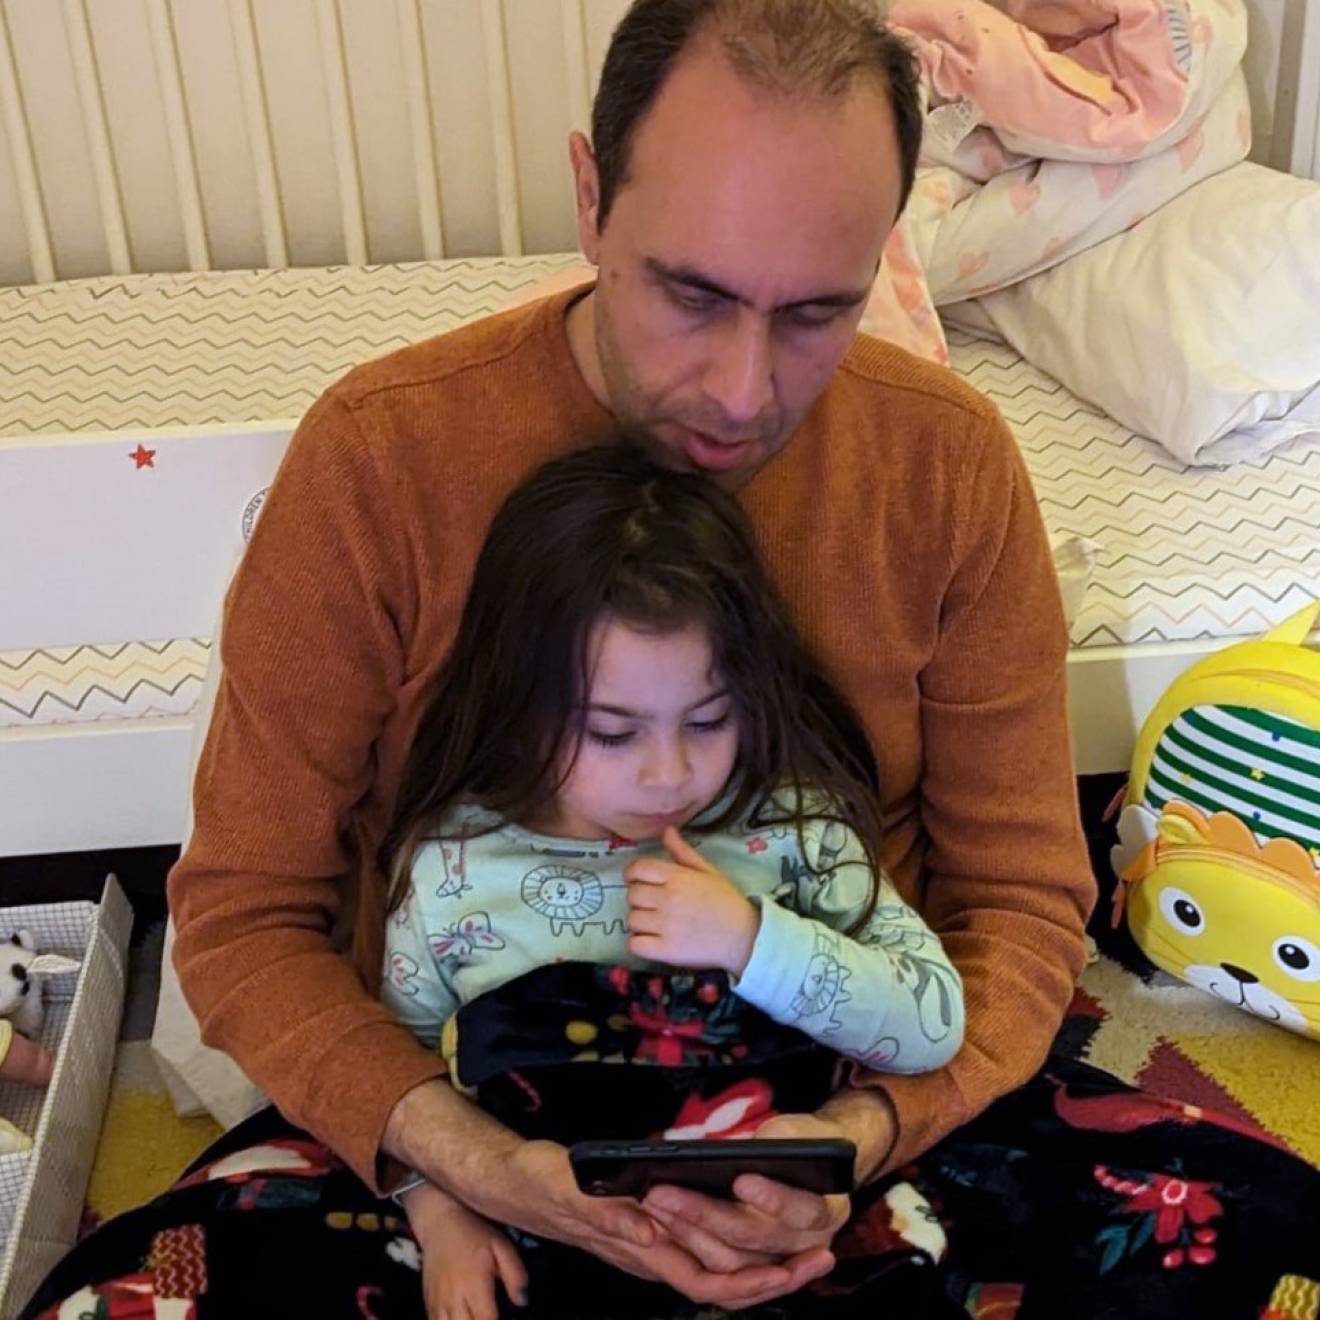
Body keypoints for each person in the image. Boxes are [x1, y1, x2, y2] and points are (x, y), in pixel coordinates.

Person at [28, 1, 1098, 1316]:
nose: (743, 390)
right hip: (468, 1130)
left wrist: (854, 1145)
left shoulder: (949, 464)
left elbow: (1026, 905)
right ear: (591, 199)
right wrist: (463, 1164)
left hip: (848, 1108)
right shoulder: (378, 459)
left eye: (821, 311)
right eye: (692, 292)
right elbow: (246, 917)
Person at [378, 445, 965, 1318]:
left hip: (791, 1229)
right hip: (544, 1237)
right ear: (516, 703)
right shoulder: (453, 869)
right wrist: (443, 1214)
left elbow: (934, 1023)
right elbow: (396, 1070)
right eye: (612, 732)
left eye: (709, 720)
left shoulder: (795, 831)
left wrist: (752, 941)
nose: (669, 774)